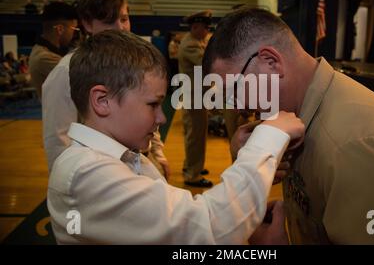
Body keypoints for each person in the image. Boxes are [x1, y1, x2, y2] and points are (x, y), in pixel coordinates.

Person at [203, 8, 374, 244]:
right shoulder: (298, 113)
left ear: (271, 62)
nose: (235, 107)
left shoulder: (360, 146)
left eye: (234, 91)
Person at [47, 29, 305, 244]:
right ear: (102, 101)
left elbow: (183, 218)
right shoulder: (87, 172)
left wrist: (245, 215)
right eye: (152, 105)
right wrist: (269, 136)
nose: (161, 118)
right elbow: (205, 229)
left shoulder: (121, 157)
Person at [42, 0, 169, 179]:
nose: (120, 27)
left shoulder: (133, 61)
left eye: (124, 18)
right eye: (109, 20)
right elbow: (58, 137)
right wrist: (74, 185)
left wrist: (158, 154)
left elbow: (149, 109)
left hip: (137, 162)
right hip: (98, 173)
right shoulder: (65, 70)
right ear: (87, 23)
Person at [178, 10, 213, 187]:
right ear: (196, 27)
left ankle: (191, 166)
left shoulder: (197, 40)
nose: (208, 30)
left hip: (197, 96)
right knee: (196, 136)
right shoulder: (190, 45)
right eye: (205, 27)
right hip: (194, 98)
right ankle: (193, 175)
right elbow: (208, 65)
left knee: (196, 135)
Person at [29, 1, 78, 99]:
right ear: (60, 29)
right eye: (74, 29)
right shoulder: (44, 58)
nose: (74, 34)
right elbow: (85, 79)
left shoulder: (42, 50)